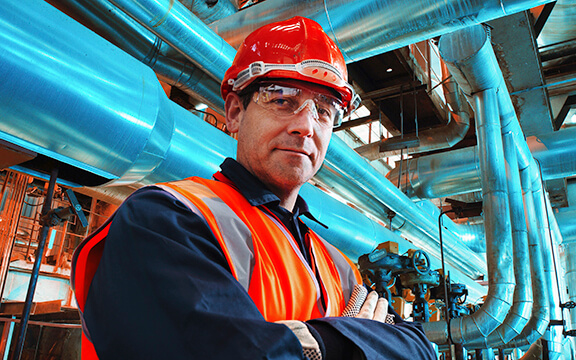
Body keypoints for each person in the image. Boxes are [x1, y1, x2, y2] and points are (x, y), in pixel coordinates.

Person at [72, 16, 437, 360]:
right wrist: (357, 341)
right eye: (282, 101)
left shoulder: (337, 266)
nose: (306, 127)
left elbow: (421, 348)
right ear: (233, 113)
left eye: (323, 111)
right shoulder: (164, 219)